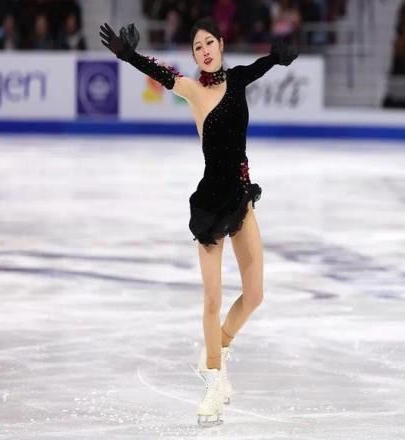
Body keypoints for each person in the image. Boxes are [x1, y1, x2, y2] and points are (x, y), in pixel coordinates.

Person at [99, 17, 298, 426]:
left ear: (221, 44)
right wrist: (129, 55)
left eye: (209, 43)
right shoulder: (192, 90)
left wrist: (278, 58)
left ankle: (218, 350)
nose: (204, 51)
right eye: (197, 47)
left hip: (240, 199)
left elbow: (261, 65)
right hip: (210, 205)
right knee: (211, 299)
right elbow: (161, 74)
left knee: (255, 294)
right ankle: (212, 379)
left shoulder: (238, 79)